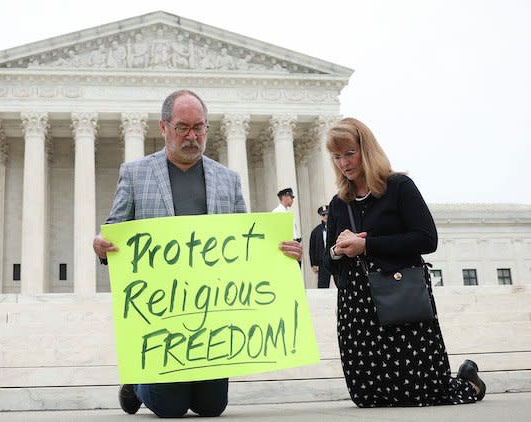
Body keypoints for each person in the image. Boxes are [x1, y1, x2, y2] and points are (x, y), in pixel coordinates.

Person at [93, 90, 302, 418]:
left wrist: (283, 254)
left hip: (212, 310)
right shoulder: (135, 174)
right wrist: (102, 247)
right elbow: (115, 230)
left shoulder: (227, 179)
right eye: (183, 127)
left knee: (212, 407)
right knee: (171, 408)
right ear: (164, 128)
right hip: (160, 311)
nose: (192, 136)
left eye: (199, 128)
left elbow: (245, 243)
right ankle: (135, 383)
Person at [323, 117, 485, 407]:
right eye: (336, 157)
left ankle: (470, 382)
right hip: (357, 309)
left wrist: (367, 244)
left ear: (366, 149)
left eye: (349, 153)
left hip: (400, 298)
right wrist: (337, 250)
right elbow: (329, 261)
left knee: (425, 394)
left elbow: (426, 239)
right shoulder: (338, 204)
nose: (344, 163)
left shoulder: (398, 187)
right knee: (368, 397)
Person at [309, 205, 333, 288]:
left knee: (340, 282)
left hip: (335, 258)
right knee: (323, 285)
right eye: (323, 215)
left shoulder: (336, 227)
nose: (326, 216)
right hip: (322, 261)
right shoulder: (316, 231)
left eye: (328, 214)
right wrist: (313, 264)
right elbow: (312, 248)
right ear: (321, 217)